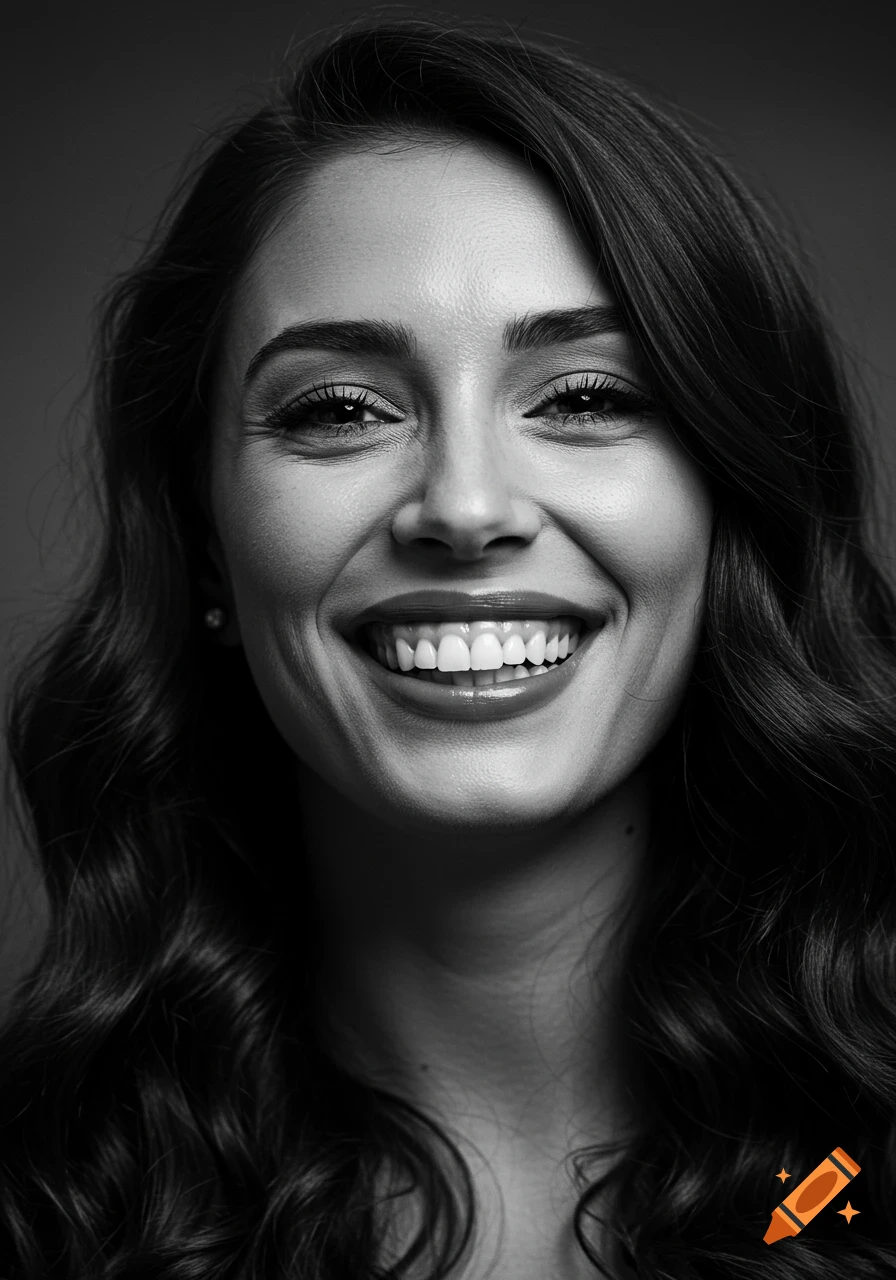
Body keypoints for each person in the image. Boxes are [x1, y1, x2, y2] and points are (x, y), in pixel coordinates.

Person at [1, 13, 895, 1279]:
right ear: (205, 536)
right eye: (339, 409)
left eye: (585, 397)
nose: (466, 509)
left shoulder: (842, 1184)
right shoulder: (47, 1208)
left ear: (727, 502)